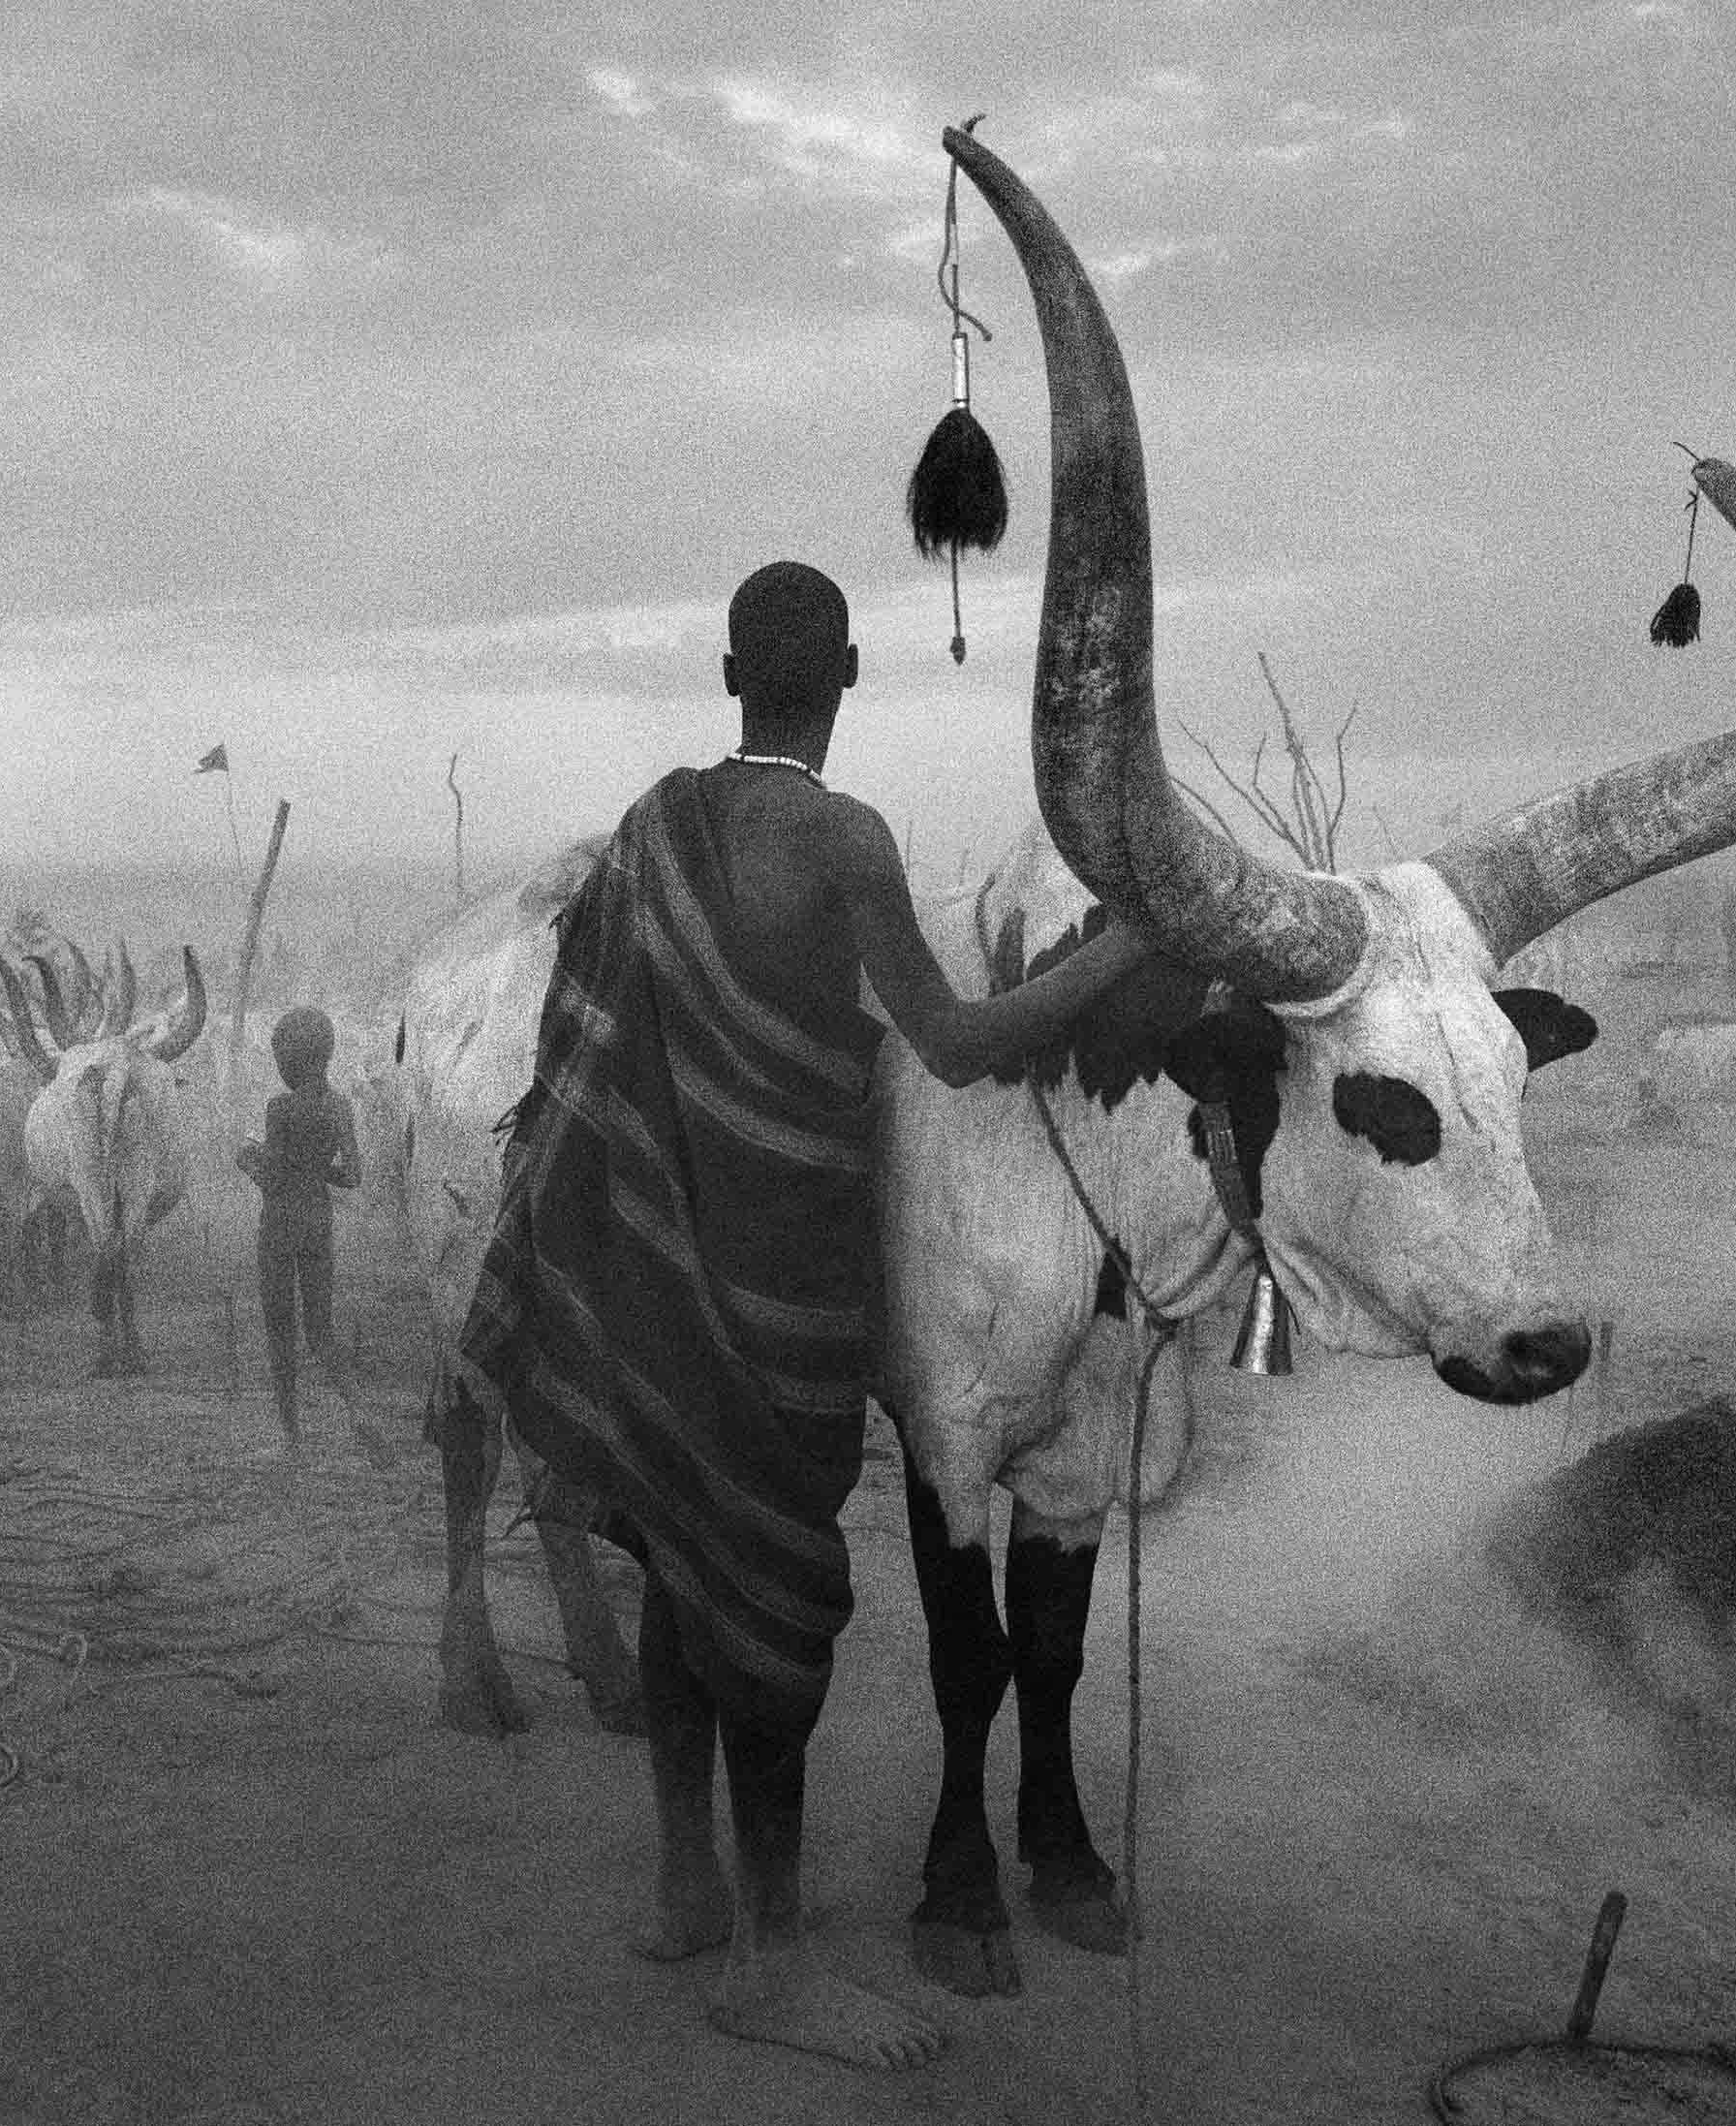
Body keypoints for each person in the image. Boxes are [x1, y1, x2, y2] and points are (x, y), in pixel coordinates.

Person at [460, 561, 1154, 2071]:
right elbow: (960, 1044)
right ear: (849, 672)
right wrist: (1116, 950)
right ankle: (770, 1958)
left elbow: (588, 1038)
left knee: (671, 1546)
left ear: (729, 676)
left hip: (651, 1261)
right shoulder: (843, 837)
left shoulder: (653, 824)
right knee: (764, 1588)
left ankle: (685, 1884)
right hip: (780, 1277)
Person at [237, 1007, 362, 1440]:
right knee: (322, 1333)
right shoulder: (341, 1106)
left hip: (279, 1225)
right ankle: (359, 1415)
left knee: (280, 1334)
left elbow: (272, 1178)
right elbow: (352, 1176)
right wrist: (314, 1167)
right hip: (318, 1221)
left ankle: (291, 1437)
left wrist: (247, 1160)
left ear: (290, 1059)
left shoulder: (280, 1108)